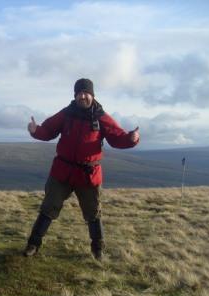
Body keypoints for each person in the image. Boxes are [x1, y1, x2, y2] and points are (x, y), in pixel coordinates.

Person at [24, 78, 140, 260]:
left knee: (93, 213)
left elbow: (117, 138)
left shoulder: (101, 117)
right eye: (79, 93)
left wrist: (131, 139)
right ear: (75, 95)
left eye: (86, 93)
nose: (83, 96)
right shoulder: (66, 114)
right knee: (48, 208)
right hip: (62, 171)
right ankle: (33, 244)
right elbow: (47, 131)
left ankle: (98, 250)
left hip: (88, 175)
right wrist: (35, 130)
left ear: (92, 95)